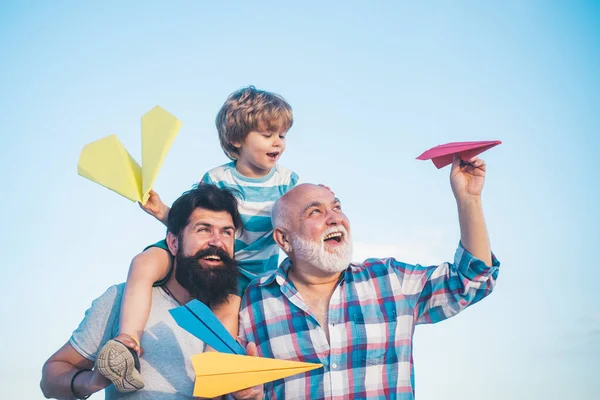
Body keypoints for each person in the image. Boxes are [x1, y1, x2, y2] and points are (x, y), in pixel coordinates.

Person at [238, 156, 501, 399]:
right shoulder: (254, 301)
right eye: (315, 212)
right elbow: (229, 385)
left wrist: (469, 199)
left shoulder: (389, 280)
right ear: (284, 239)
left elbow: (471, 281)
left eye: (337, 207)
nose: (334, 218)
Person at [97, 86, 300, 391]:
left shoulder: (288, 182)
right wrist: (162, 211)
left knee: (224, 314)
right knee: (145, 261)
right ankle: (127, 343)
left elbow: (298, 228)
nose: (277, 142)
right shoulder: (217, 178)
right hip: (194, 253)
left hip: (241, 275)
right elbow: (192, 223)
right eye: (267, 134)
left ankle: (208, 387)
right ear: (237, 139)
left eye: (282, 135)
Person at [40, 184, 261, 399]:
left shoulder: (242, 317)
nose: (217, 242)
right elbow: (51, 378)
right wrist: (92, 381)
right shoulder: (121, 300)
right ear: (173, 243)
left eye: (226, 233)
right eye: (203, 229)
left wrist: (249, 397)